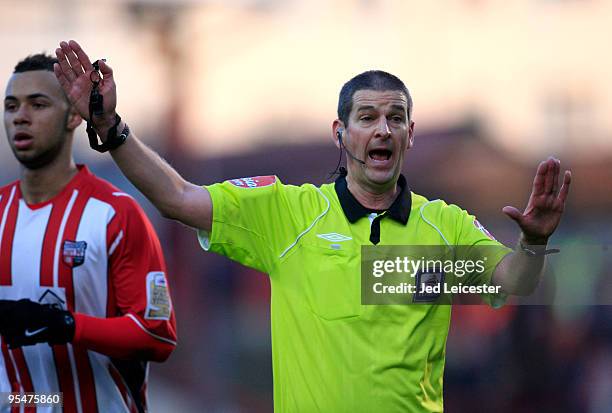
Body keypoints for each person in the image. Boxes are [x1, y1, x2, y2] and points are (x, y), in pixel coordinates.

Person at [54, 40, 571, 412]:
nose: (382, 128)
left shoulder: (443, 226)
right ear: (340, 133)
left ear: (410, 134)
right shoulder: (287, 214)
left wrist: (535, 240)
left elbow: (514, 281)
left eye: (396, 118)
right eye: (367, 117)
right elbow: (178, 197)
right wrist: (110, 129)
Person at [0, 53, 177, 413]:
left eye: (38, 104)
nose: (20, 116)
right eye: (11, 105)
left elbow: (157, 334)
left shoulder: (115, 214)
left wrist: (64, 324)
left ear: (74, 117)